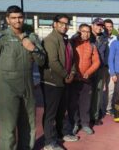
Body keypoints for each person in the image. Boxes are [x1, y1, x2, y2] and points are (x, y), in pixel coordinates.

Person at [0, 5, 46, 150]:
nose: (17, 21)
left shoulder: (31, 37)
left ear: (24, 18)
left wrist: (33, 48)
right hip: (7, 89)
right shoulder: (0, 39)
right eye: (14, 18)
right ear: (8, 19)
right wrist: (3, 78)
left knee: (28, 124)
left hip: (27, 87)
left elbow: (42, 61)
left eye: (20, 17)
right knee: (8, 127)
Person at [40, 14, 78, 150]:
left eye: (67, 24)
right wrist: (66, 75)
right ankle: (49, 142)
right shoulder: (50, 40)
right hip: (52, 82)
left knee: (61, 111)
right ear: (54, 24)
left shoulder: (65, 40)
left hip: (64, 82)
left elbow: (72, 59)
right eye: (61, 23)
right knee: (51, 113)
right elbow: (53, 61)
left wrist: (72, 73)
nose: (64, 26)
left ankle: (61, 133)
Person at [68, 24, 100, 135]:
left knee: (85, 103)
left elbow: (97, 62)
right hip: (74, 79)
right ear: (79, 31)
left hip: (86, 80)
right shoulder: (72, 43)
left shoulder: (92, 46)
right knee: (73, 104)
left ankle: (85, 124)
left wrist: (88, 72)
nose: (85, 34)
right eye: (83, 31)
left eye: (88, 32)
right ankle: (75, 124)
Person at [89, 17, 108, 126]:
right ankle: (84, 117)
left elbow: (106, 55)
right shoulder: (86, 36)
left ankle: (94, 116)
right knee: (86, 94)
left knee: (98, 94)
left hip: (100, 70)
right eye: (97, 25)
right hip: (88, 69)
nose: (99, 28)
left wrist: (104, 70)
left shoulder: (104, 38)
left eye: (101, 26)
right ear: (92, 25)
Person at [103, 19, 117, 115]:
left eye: (110, 26)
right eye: (106, 26)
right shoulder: (100, 38)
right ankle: (100, 109)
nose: (108, 28)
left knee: (111, 90)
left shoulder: (116, 38)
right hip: (101, 68)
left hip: (112, 68)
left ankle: (108, 108)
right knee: (101, 90)